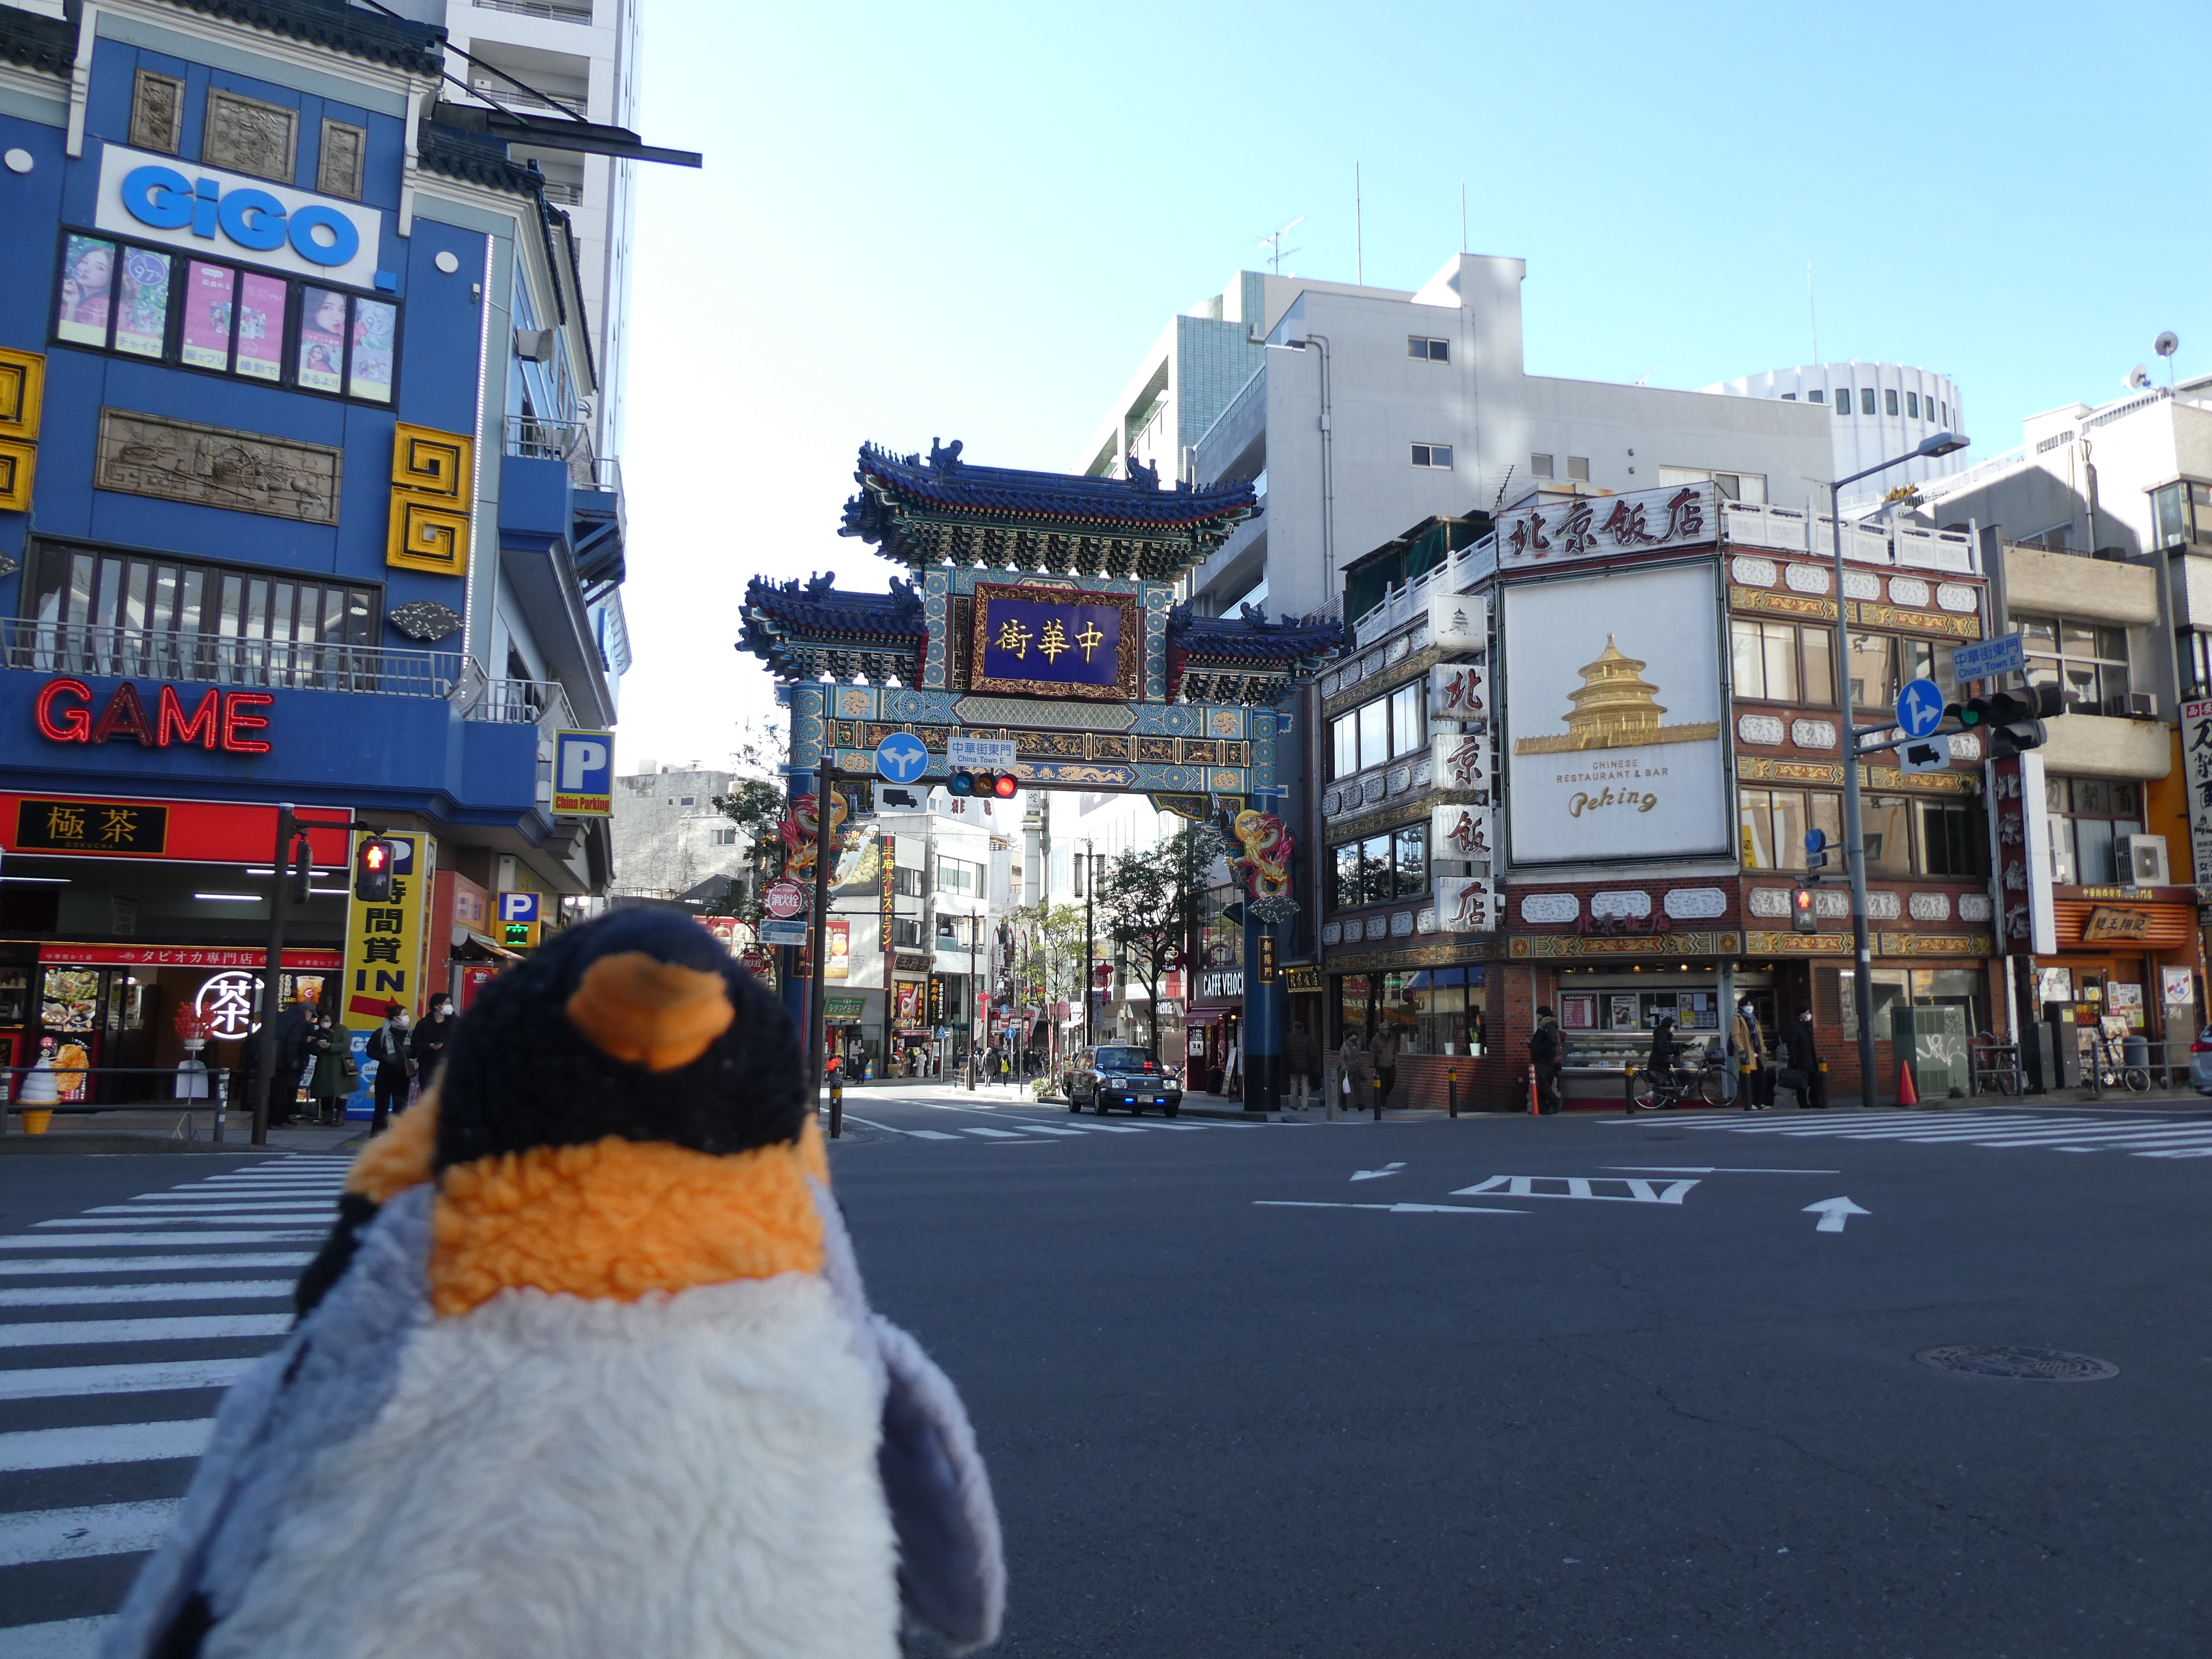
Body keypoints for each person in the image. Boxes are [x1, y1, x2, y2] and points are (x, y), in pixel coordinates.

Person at [365, 1003, 413, 1134]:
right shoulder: (382, 1033)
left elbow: (414, 1052)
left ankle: (399, 1134)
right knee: (381, 1106)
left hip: (403, 1074)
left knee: (401, 1106)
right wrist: (384, 1057)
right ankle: (378, 1133)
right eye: (405, 1015)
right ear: (396, 1018)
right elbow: (371, 1050)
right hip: (385, 1073)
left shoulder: (410, 1033)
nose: (407, 1017)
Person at [307, 1013, 354, 1126]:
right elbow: (312, 1050)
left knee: (341, 1091)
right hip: (324, 1064)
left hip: (341, 1063)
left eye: (327, 1020)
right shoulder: (318, 1032)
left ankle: (340, 1117)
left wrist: (330, 1046)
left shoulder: (342, 1029)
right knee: (325, 1091)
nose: (325, 1022)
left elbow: (345, 1045)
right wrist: (316, 1045)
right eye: (323, 1020)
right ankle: (327, 1117)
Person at [1732, 997, 1770, 1112]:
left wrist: (1763, 1049)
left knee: (1761, 1080)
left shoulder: (1754, 1019)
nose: (1750, 1007)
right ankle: (1749, 1103)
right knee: (1747, 1081)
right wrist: (1741, 1050)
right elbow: (1735, 1036)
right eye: (1748, 1005)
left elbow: (1759, 1036)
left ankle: (1759, 1102)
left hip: (1757, 1054)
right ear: (1742, 1006)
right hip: (1747, 1054)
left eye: (1751, 1005)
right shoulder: (1737, 1019)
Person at [410, 992, 454, 1086]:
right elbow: (415, 1043)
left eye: (450, 1003)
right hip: (428, 1066)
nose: (450, 1006)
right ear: (437, 1006)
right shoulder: (424, 1023)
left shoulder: (455, 1022)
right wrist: (429, 1046)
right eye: (447, 1003)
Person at [1781, 1009, 1821, 1109]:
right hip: (1801, 1059)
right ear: (1802, 1015)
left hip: (1810, 1059)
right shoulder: (1795, 1027)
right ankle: (1803, 1103)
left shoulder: (1806, 1026)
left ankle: (1814, 1100)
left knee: (1815, 1081)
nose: (1809, 1015)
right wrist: (1793, 1060)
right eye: (1807, 1013)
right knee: (1802, 1083)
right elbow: (1792, 1044)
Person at [1529, 1006, 1565, 1115]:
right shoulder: (1544, 1026)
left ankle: (1555, 1101)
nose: (1537, 1016)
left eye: (1538, 1014)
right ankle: (1543, 1108)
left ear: (1542, 1015)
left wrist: (1537, 1048)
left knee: (1541, 1083)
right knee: (1542, 1084)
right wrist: (1532, 1045)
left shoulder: (1548, 1026)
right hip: (1543, 1058)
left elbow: (1551, 1042)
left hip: (1545, 1059)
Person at [1282, 1018, 1317, 1111]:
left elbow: (1286, 1052)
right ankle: (1305, 1105)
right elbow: (1312, 1053)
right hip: (1306, 1067)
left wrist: (1286, 1064)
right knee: (1305, 1085)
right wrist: (1313, 1065)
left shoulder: (1289, 1037)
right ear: (1302, 1028)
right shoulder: (1308, 1038)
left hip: (1293, 1066)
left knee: (1294, 1085)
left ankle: (1294, 1104)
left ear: (1294, 1028)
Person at [1338, 1028, 1372, 1118]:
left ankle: (1360, 1104)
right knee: (1345, 1087)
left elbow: (1360, 1056)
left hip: (1356, 1069)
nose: (1355, 1037)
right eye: (1353, 1036)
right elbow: (1341, 1058)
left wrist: (1359, 1063)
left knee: (1358, 1086)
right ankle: (1343, 1104)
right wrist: (1344, 1067)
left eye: (1356, 1036)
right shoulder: (1345, 1047)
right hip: (1347, 1069)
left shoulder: (1357, 1046)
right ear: (1349, 1037)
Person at [1371, 1022, 1402, 1112]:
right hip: (1380, 1065)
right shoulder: (1376, 1040)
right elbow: (1372, 1053)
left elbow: (1396, 1051)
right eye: (1384, 1029)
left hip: (1391, 1065)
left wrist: (1396, 1062)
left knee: (1391, 1084)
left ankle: (1381, 1098)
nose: (1386, 1031)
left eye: (1387, 1029)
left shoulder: (1392, 1039)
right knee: (1383, 1085)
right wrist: (1371, 1066)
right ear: (1380, 1030)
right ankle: (1382, 1104)